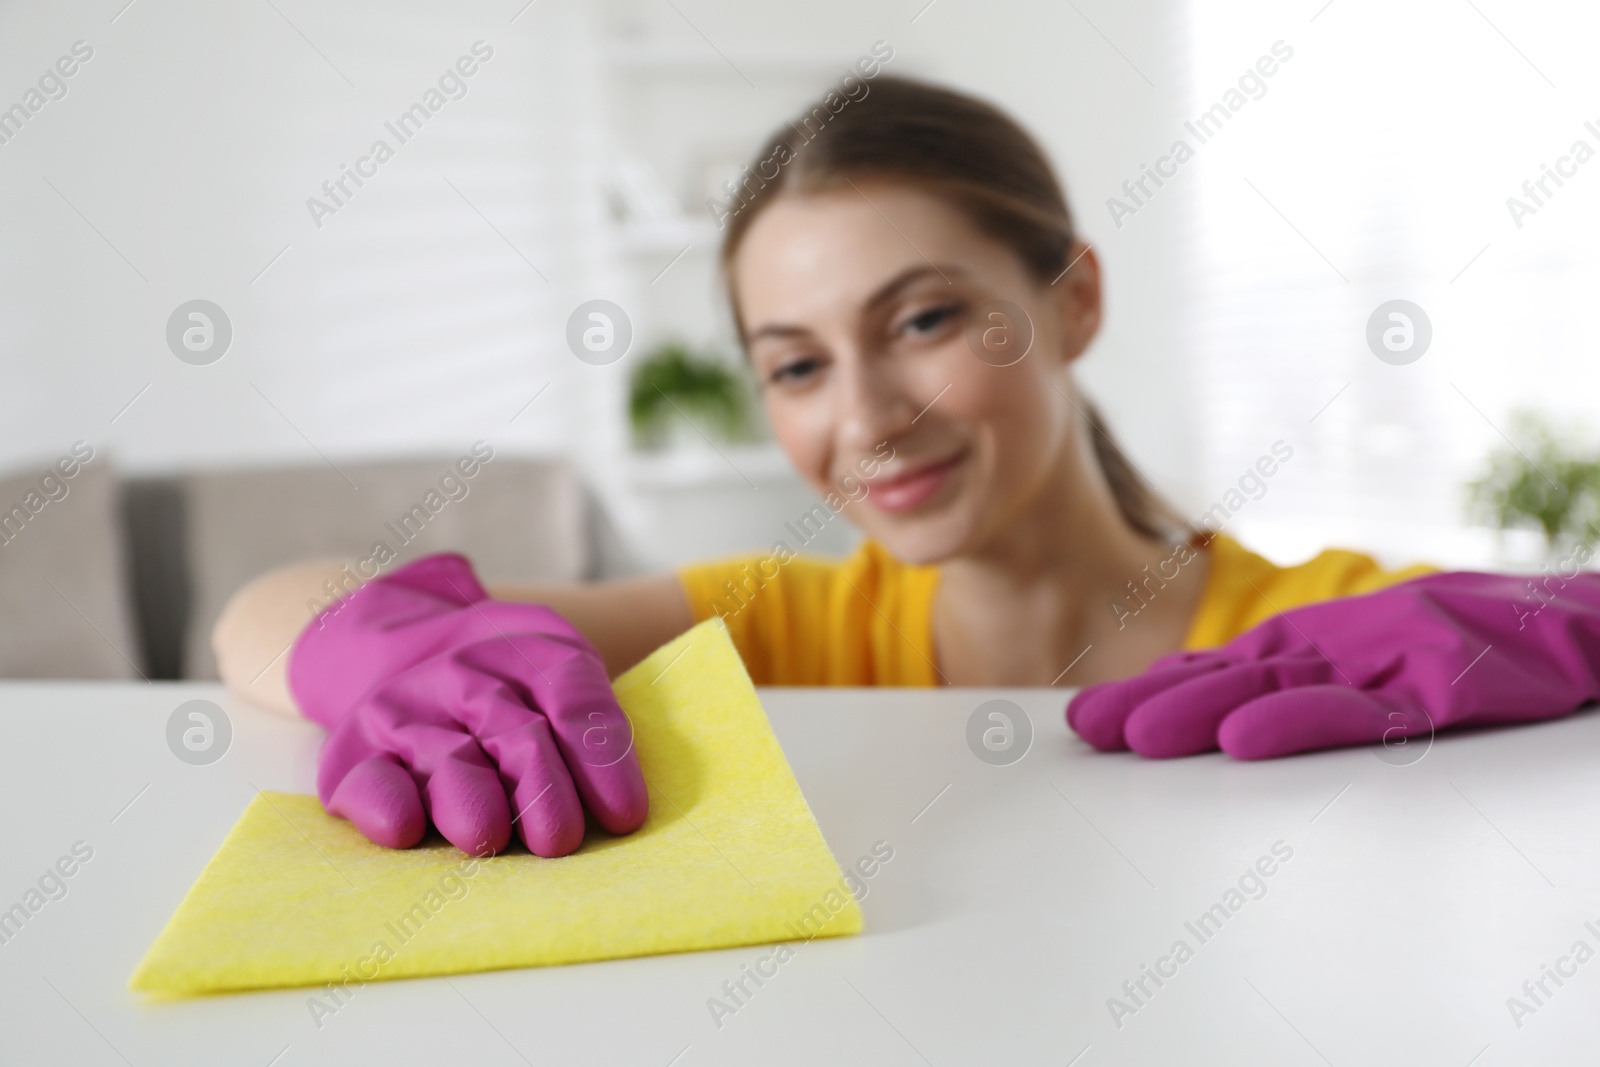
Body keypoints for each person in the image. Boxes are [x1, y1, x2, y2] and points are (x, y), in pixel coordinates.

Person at [212, 77, 1600, 857]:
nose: (865, 417)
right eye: (797, 365)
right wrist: (370, 649)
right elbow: (264, 607)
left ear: (1074, 300)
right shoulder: (777, 629)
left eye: (925, 320)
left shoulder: (1328, 638)